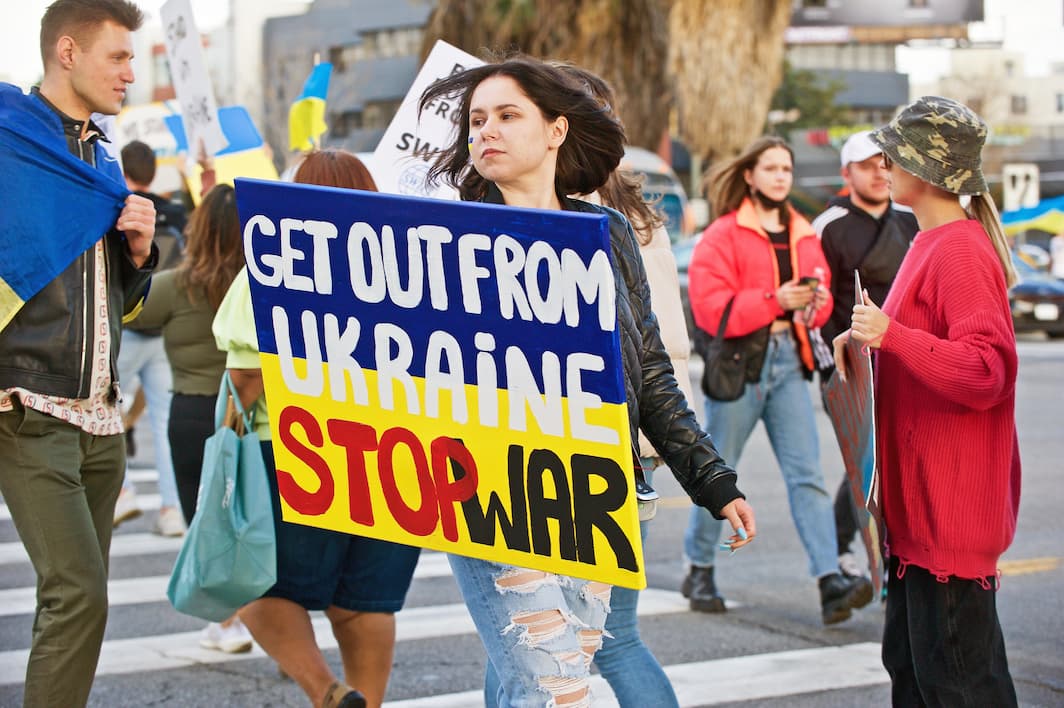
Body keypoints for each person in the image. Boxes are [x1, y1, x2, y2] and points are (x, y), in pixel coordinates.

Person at [419, 56, 756, 707]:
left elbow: (650, 370)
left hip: (598, 487)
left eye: (508, 115)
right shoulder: (446, 238)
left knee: (568, 665)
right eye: (477, 119)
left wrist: (712, 480)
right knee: (544, 683)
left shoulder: (608, 234)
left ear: (555, 130)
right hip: (493, 492)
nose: (486, 130)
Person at [214, 149, 422, 708]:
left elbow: (245, 372)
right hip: (393, 451)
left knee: (254, 583)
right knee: (367, 600)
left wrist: (228, 441)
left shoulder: (275, 258)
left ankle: (327, 692)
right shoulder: (408, 265)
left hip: (297, 448)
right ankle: (367, 702)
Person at [834, 96, 1021, 706]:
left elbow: (989, 371)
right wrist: (862, 344)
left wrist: (893, 337)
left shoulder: (960, 251)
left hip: (950, 513)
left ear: (926, 169)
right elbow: (917, 350)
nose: (885, 161)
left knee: (957, 687)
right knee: (918, 679)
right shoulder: (928, 242)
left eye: (896, 153)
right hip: (917, 514)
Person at [0, 1, 157, 705]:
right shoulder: (10, 144)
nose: (131, 72)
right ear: (68, 52)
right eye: (118, 56)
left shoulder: (102, 154)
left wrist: (140, 251)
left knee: (71, 603)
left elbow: (118, 302)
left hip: (101, 417)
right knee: (79, 595)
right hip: (27, 405)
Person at [682, 135, 872, 625]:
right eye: (770, 168)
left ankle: (830, 579)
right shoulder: (723, 235)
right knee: (717, 471)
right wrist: (774, 300)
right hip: (742, 364)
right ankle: (699, 567)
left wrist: (814, 304)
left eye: (786, 168)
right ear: (749, 176)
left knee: (806, 474)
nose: (781, 176)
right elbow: (709, 309)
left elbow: (825, 297)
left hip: (791, 359)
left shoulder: (804, 231)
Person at [132, 182, 253, 652]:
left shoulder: (174, 285)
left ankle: (227, 622)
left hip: (190, 415)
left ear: (198, 230)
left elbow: (124, 313)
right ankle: (273, 618)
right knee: (252, 517)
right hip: (250, 414)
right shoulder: (265, 283)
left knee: (205, 523)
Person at [810, 130, 918, 578]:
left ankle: (894, 555)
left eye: (884, 163)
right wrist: (835, 365)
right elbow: (817, 306)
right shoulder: (827, 225)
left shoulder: (912, 220)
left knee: (895, 460)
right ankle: (845, 551)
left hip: (908, 358)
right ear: (846, 172)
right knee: (864, 462)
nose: (878, 172)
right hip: (851, 362)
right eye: (866, 164)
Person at [113, 139, 187, 536]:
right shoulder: (172, 211)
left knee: (106, 413)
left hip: (123, 329)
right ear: (155, 172)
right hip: (162, 330)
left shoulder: (117, 209)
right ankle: (172, 509)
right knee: (164, 422)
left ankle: (121, 491)